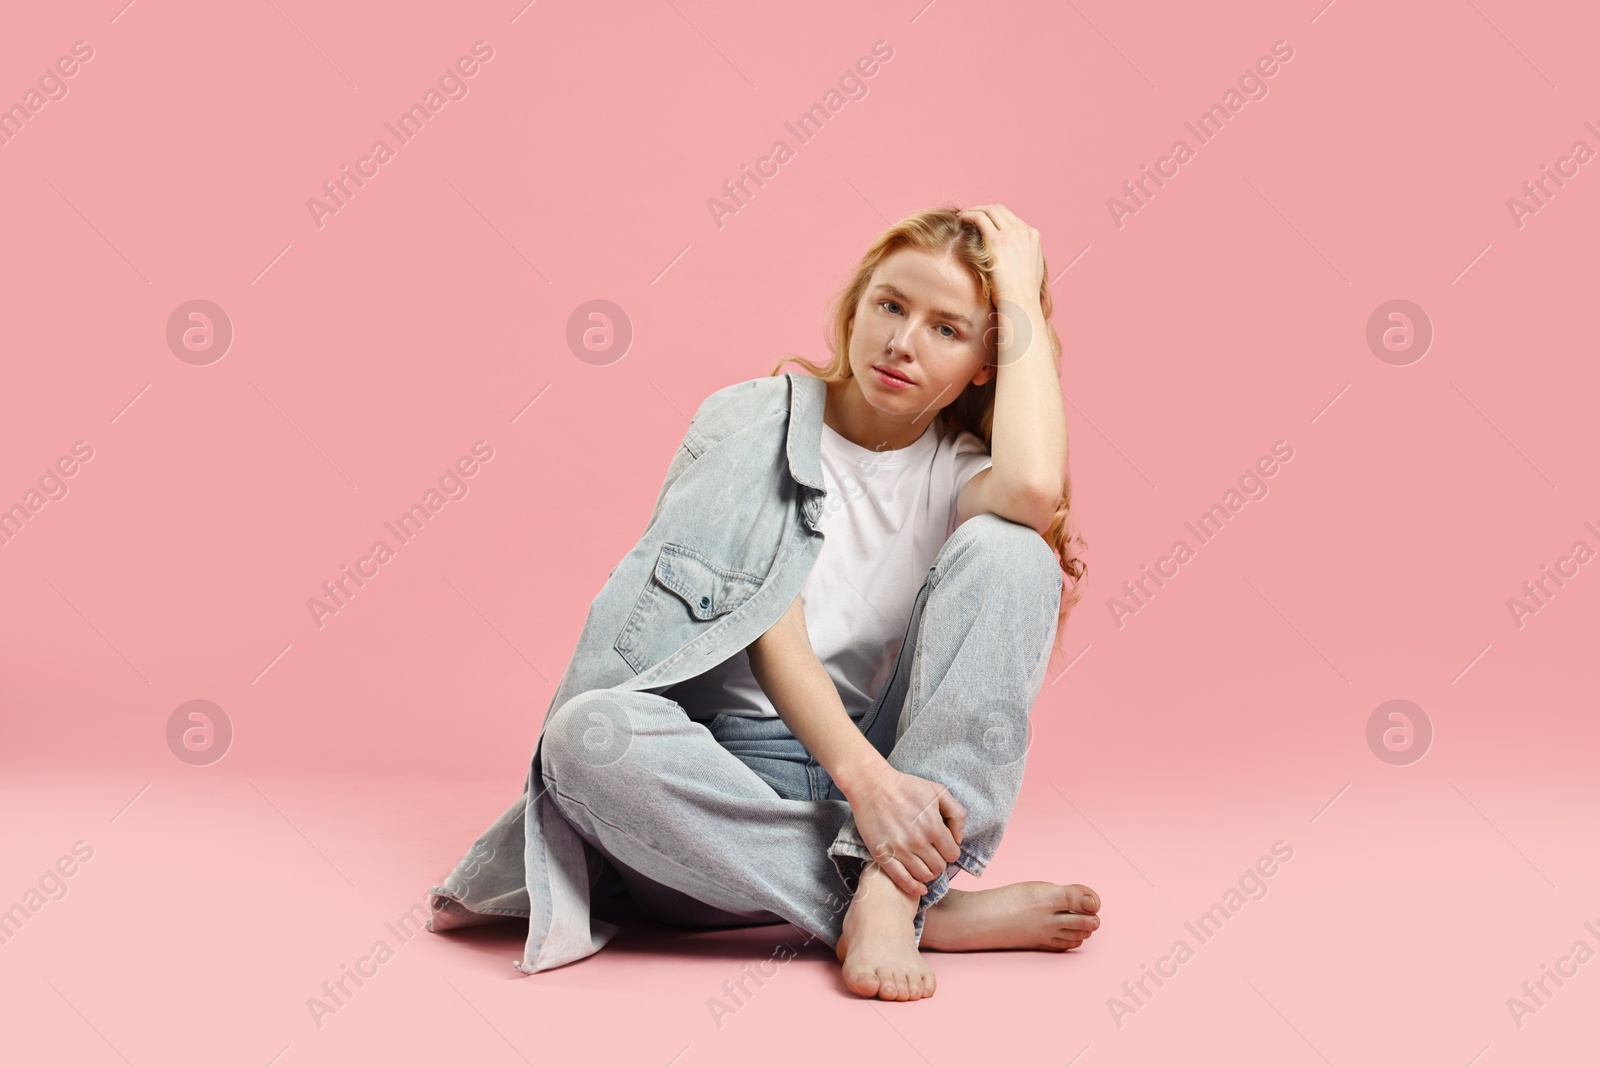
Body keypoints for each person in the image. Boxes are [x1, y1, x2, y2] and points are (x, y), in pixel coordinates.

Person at [429, 203, 1101, 1001]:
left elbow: (1031, 487)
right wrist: (867, 789)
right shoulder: (753, 419)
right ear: (855, 308)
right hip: (718, 792)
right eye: (890, 304)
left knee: (1014, 549)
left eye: (948, 330)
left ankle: (891, 893)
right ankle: (912, 901)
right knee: (585, 736)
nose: (902, 342)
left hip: (894, 769)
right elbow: (764, 614)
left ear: (986, 364)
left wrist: (1019, 292)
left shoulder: (959, 473)